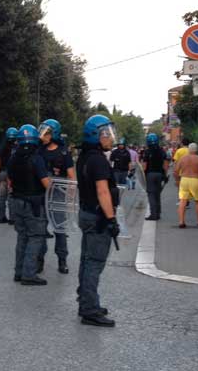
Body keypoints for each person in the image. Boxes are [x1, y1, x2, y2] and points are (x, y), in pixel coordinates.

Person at [76, 114, 121, 327]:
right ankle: (90, 310)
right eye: (107, 134)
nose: (110, 138)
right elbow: (103, 191)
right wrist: (111, 219)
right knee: (94, 263)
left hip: (86, 213)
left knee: (86, 260)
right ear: (97, 135)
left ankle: (86, 301)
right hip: (98, 217)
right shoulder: (98, 160)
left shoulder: (84, 157)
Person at [8, 124, 51, 286]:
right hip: (33, 204)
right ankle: (29, 274)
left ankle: (19, 272)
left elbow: (10, 180)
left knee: (22, 237)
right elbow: (46, 183)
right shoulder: (36, 158)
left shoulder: (13, 157)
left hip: (16, 201)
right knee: (35, 237)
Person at [38, 119, 74, 275]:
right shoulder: (39, 150)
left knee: (60, 229)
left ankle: (62, 260)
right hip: (41, 193)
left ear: (54, 134)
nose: (42, 136)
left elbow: (71, 175)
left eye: (46, 133)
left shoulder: (64, 152)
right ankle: (39, 261)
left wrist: (71, 197)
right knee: (40, 229)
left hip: (59, 194)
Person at [173, 143, 198, 228]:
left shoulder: (183, 158)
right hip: (196, 180)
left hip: (184, 180)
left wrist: (177, 180)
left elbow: (176, 171)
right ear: (197, 150)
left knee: (183, 201)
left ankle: (181, 221)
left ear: (188, 149)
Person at [142, 133, 169, 221]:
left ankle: (153, 214)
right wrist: (165, 175)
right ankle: (158, 213)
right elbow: (165, 164)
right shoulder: (162, 151)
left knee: (151, 194)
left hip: (150, 174)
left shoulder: (147, 151)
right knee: (157, 194)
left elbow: (144, 166)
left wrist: (143, 175)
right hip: (160, 174)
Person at [0, 127, 18, 225]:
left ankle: (2, 217)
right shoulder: (16, 149)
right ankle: (12, 218)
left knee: (2, 197)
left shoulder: (2, 147)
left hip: (2, 173)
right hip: (12, 174)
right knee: (11, 196)